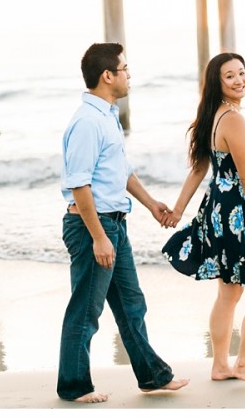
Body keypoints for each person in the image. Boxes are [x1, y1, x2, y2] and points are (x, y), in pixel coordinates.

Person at [57, 42, 189, 403]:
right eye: (125, 69)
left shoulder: (107, 115)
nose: (129, 75)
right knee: (86, 310)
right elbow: (79, 184)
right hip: (92, 227)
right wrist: (99, 238)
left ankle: (152, 377)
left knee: (132, 304)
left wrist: (150, 204)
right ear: (107, 76)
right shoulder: (87, 122)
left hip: (114, 223)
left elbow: (120, 171)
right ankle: (74, 386)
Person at [160, 52, 245, 388]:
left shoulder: (213, 115)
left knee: (229, 294)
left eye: (242, 73)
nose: (239, 80)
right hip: (237, 216)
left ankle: (220, 365)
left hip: (217, 211)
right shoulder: (233, 119)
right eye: (230, 75)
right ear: (218, 82)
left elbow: (200, 169)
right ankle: (243, 364)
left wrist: (178, 211)